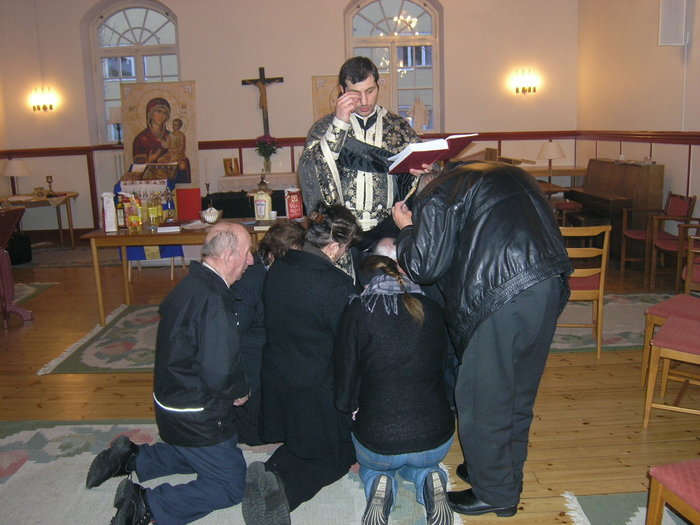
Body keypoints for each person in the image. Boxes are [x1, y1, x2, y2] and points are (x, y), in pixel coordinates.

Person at [392, 161, 573, 518]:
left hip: (502, 293)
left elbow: (424, 266)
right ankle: (498, 476)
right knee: (516, 392)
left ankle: (494, 493)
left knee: (483, 397)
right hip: (547, 282)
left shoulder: (437, 191)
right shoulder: (498, 172)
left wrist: (406, 229)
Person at [85, 222, 254, 525]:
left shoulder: (190, 284)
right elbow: (220, 375)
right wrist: (241, 390)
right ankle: (146, 505)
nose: (251, 260)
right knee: (231, 484)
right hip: (196, 414)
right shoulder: (213, 302)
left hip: (171, 404)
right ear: (228, 256)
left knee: (199, 455)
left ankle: (133, 458)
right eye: (247, 253)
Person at [242, 203, 362, 525]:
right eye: (345, 248)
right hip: (315, 389)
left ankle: (267, 473)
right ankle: (283, 493)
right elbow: (349, 348)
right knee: (337, 457)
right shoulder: (337, 285)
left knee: (301, 443)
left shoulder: (279, 267)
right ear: (334, 246)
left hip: (279, 378)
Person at [334, 255, 455, 525]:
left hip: (379, 442)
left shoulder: (357, 311)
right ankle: (430, 477)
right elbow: (444, 367)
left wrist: (349, 409)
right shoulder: (433, 308)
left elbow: (345, 380)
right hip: (437, 437)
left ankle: (378, 480)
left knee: (373, 466)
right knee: (420, 463)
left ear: (364, 283)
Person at [298, 56, 428, 278]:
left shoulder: (398, 128)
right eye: (355, 93)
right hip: (342, 235)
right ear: (341, 90)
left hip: (387, 231)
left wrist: (419, 172)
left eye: (370, 90)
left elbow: (418, 175)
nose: (365, 100)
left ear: (378, 85)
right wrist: (339, 123)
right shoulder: (323, 128)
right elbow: (312, 169)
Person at [231, 219, 306, 446]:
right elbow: (236, 332)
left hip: (271, 349)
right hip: (251, 358)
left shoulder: (276, 272)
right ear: (273, 256)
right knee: (254, 434)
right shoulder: (251, 279)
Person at [132, 97, 191, 183]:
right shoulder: (141, 139)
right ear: (150, 113)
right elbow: (138, 168)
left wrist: (183, 163)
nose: (162, 116)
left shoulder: (170, 135)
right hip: (151, 182)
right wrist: (152, 158)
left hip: (171, 180)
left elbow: (181, 155)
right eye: (159, 111)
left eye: (165, 113)